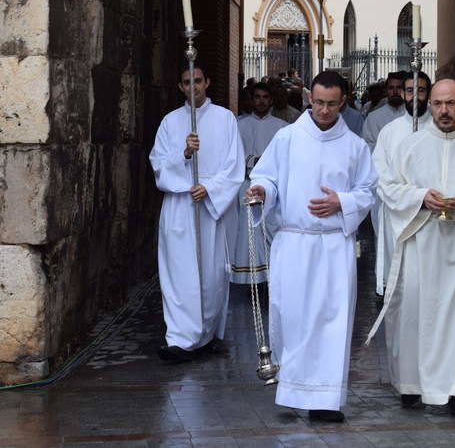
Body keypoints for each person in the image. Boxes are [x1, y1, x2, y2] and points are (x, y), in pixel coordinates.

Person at [367, 78, 455, 421]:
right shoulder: (411, 146)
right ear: (429, 105)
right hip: (422, 245)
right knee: (416, 315)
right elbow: (388, 186)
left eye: (450, 103)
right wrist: (420, 197)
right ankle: (412, 385)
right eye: (437, 104)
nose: (443, 111)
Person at [246, 71, 377, 422]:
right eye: (318, 102)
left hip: (334, 246)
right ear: (309, 98)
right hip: (294, 244)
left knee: (331, 322)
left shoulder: (354, 147)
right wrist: (261, 191)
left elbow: (368, 192)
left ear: (343, 102)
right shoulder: (287, 138)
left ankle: (325, 401)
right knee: (293, 318)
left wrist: (343, 203)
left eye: (331, 104)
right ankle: (292, 388)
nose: (323, 110)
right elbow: (266, 176)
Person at [149, 65, 245, 362]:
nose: (194, 87)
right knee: (179, 273)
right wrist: (185, 154)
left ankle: (209, 332)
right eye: (187, 82)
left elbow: (234, 164)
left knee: (212, 273)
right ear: (180, 87)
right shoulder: (170, 122)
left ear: (208, 82)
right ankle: (179, 338)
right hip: (180, 206)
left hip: (210, 208)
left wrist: (211, 188)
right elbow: (158, 165)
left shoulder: (225, 119)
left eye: (198, 81)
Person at [370, 71, 432, 296]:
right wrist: (407, 197)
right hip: (397, 215)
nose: (415, 96)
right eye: (410, 91)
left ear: (429, 93)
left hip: (431, 217)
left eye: (421, 90)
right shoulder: (390, 131)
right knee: (400, 287)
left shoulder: (439, 127)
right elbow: (379, 174)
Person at [230, 83, 288, 283]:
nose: (261, 101)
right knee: (249, 234)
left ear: (271, 100)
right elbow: (232, 157)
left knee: (272, 229)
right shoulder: (239, 125)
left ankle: (274, 278)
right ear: (251, 100)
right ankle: (252, 280)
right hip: (247, 186)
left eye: (265, 97)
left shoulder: (283, 128)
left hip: (273, 190)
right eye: (257, 97)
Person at [361, 71, 408, 151]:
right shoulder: (373, 117)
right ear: (386, 91)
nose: (395, 92)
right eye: (391, 88)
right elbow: (366, 145)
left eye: (399, 87)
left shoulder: (413, 114)